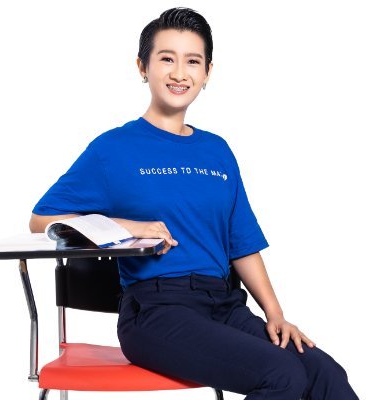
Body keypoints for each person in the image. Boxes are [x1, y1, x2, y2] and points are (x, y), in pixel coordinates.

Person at [30, 7, 359, 399]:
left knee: (325, 374)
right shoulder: (112, 150)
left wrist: (276, 315)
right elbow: (41, 219)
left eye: (192, 61)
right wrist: (128, 227)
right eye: (166, 59)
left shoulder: (218, 151)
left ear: (207, 73)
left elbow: (242, 244)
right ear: (143, 67)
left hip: (224, 305)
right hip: (156, 311)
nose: (179, 73)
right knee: (282, 374)